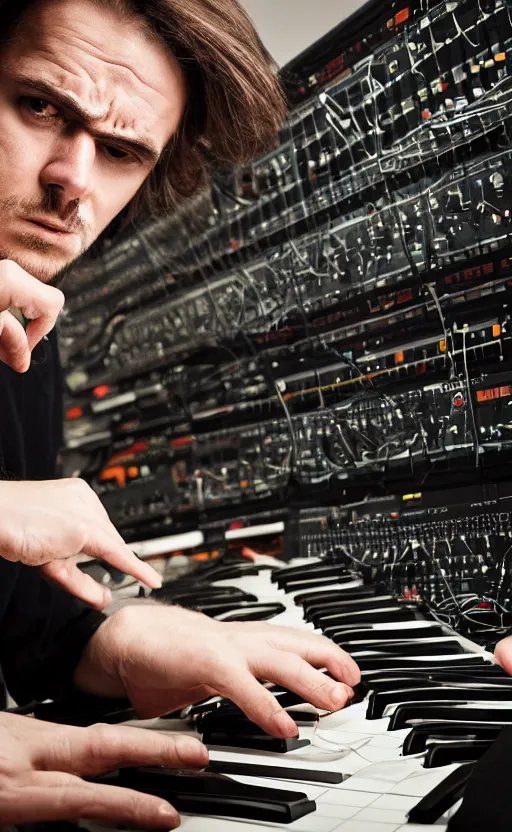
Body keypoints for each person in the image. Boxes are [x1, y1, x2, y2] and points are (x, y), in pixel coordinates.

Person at [0, 0, 361, 826]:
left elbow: (21, 617)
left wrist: (119, 644)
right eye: (41, 106)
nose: (73, 181)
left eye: (122, 151)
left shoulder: (28, 328)